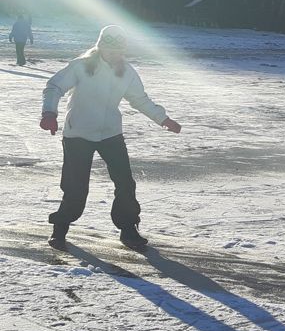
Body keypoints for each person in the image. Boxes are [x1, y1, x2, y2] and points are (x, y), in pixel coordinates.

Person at [40, 25, 181, 250]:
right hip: (78, 134)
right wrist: (49, 112)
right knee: (76, 187)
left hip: (110, 133)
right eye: (110, 49)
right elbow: (54, 86)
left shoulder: (126, 72)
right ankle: (60, 228)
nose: (115, 55)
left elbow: (140, 100)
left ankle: (128, 229)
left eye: (119, 51)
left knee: (125, 182)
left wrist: (163, 119)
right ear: (100, 47)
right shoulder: (81, 66)